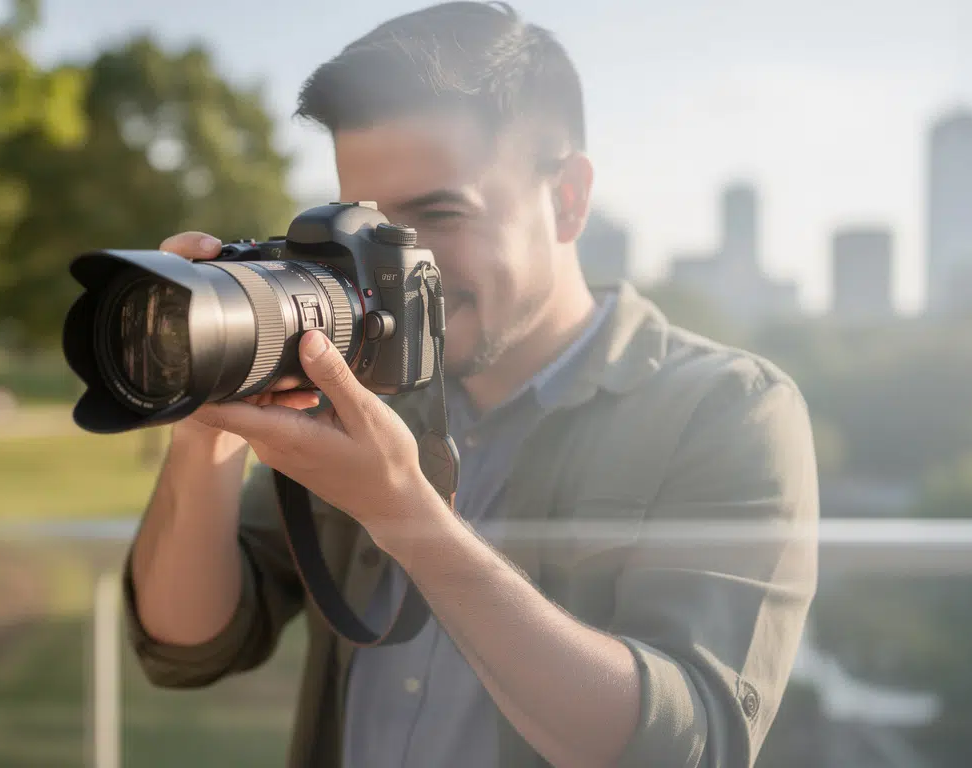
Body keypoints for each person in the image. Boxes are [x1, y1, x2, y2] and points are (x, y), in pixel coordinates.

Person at [121, 3, 819, 766]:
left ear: (568, 199)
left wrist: (408, 518)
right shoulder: (357, 387)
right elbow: (188, 643)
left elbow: (689, 746)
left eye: (438, 215)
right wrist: (208, 418)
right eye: (369, 227)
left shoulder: (727, 411)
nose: (392, 267)